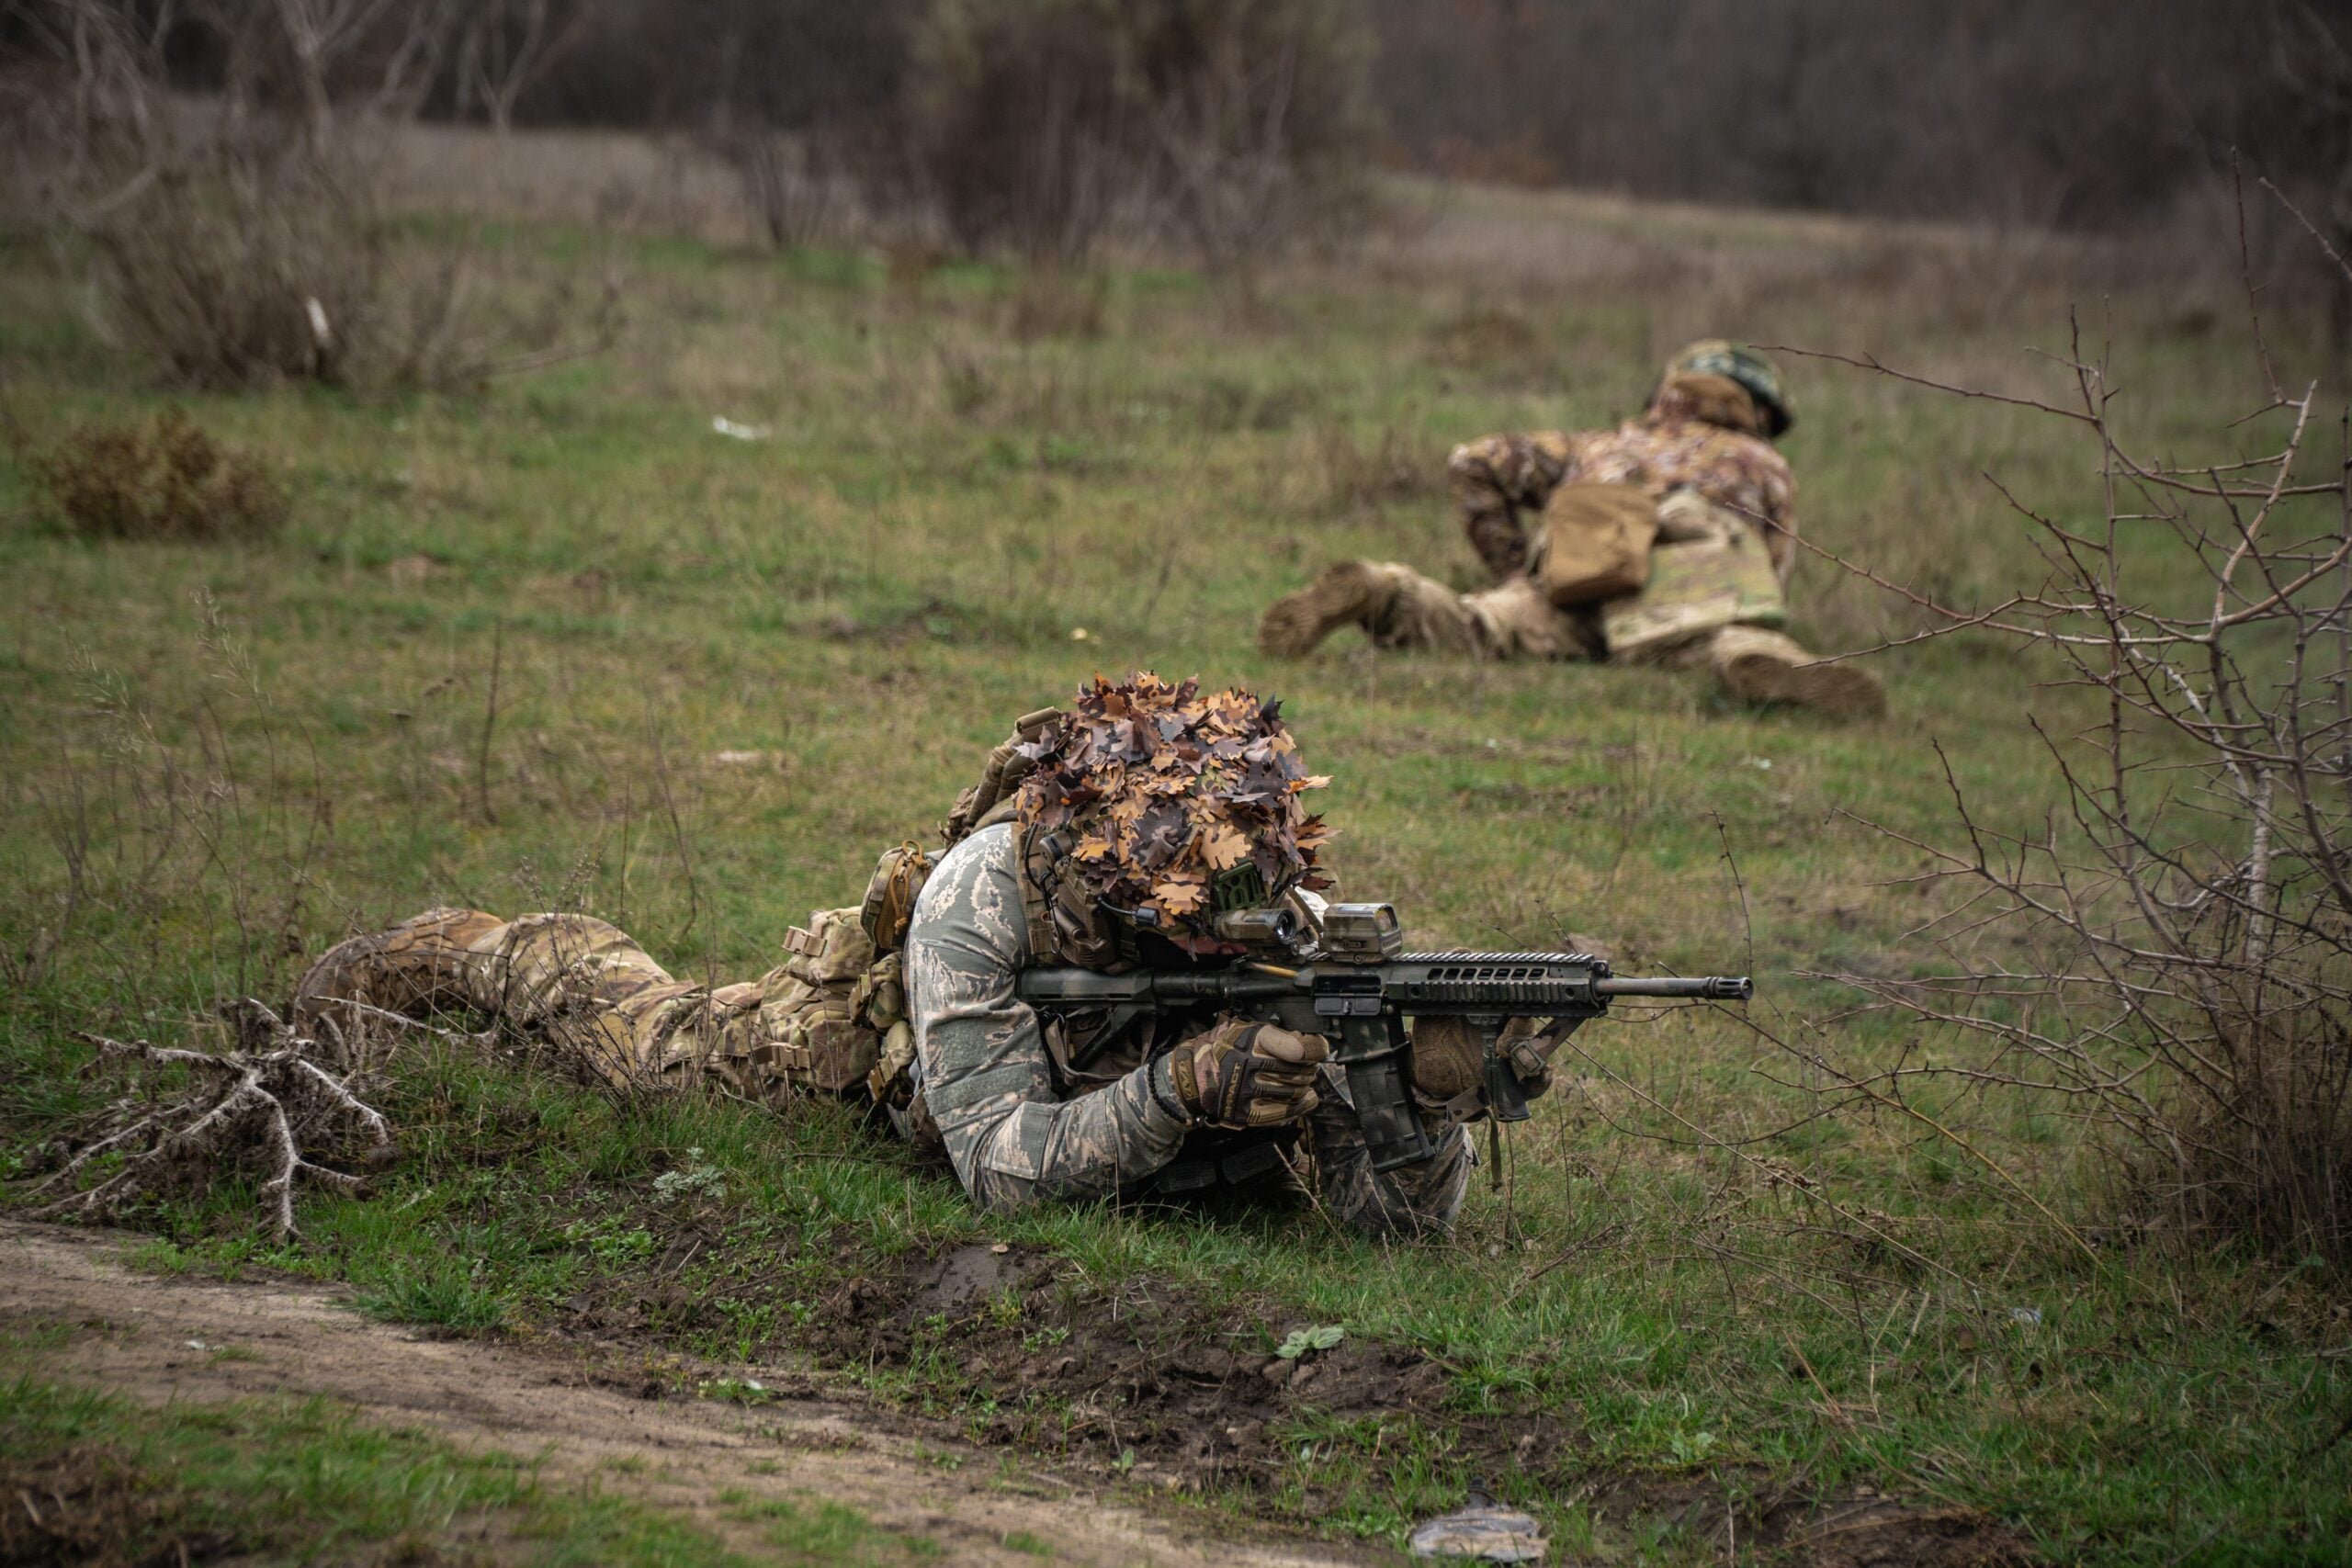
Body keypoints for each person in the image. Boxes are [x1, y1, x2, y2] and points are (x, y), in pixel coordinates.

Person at [290, 674, 1510, 1239]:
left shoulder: (1259, 898)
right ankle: (452, 951)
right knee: (632, 1029)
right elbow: (996, 1168)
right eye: (1184, 929)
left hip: (1067, 1076)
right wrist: (1178, 1089)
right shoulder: (983, 896)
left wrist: (1429, 1101)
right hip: (841, 1055)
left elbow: (1385, 1220)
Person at [1258, 342, 1885, 717]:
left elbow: (1473, 462)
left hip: (1582, 552)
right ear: (1761, 411)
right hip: (1691, 561)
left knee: (1481, 628)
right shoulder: (1762, 462)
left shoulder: (1608, 442)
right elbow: (1766, 580)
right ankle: (1760, 663)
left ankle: (1385, 589)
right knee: (1726, 638)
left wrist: (1514, 575)